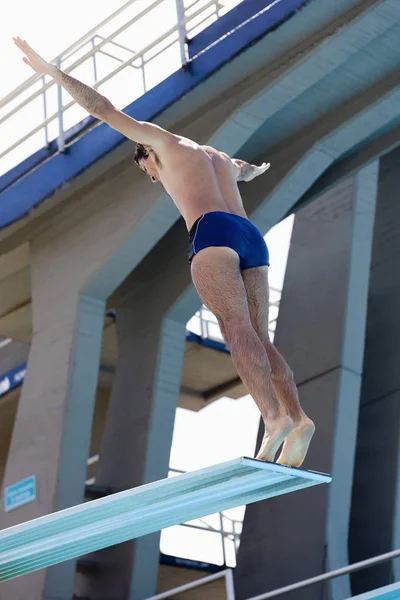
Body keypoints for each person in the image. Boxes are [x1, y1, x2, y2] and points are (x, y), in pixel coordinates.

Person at [14, 37, 315, 467]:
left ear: (147, 154)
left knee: (234, 328)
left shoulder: (161, 142)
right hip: (252, 236)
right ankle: (299, 418)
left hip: (213, 233)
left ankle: (274, 418)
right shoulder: (219, 158)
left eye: (148, 172)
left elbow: (102, 110)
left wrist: (54, 74)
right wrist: (252, 170)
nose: (154, 179)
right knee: (258, 337)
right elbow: (246, 169)